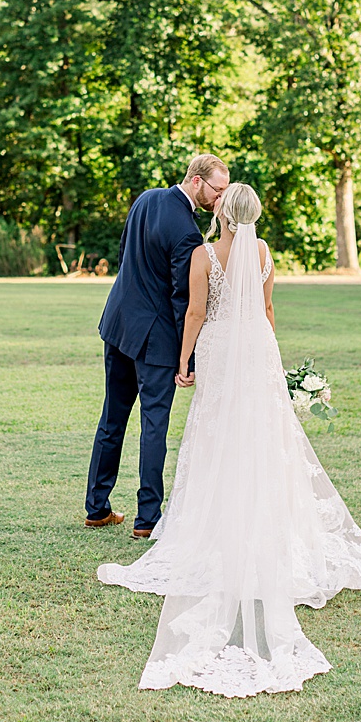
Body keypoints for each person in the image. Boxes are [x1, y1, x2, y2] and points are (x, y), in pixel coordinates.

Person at [98, 183, 361, 696]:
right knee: (263, 440)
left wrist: (184, 361)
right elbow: (268, 311)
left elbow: (196, 315)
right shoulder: (265, 252)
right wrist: (272, 359)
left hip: (222, 350)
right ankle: (265, 520)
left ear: (223, 213)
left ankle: (217, 522)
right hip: (258, 349)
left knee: (216, 439)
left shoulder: (206, 255)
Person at [85, 154, 230, 537]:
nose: (220, 200)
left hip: (118, 323)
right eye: (217, 191)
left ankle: (96, 508)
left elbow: (123, 255)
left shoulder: (146, 198)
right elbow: (184, 298)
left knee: (112, 419)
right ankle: (147, 519)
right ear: (197, 181)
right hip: (155, 341)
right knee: (154, 428)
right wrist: (190, 357)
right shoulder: (187, 232)